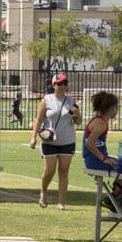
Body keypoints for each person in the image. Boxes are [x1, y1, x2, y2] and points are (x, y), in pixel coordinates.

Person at [31, 72, 80, 208]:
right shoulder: (46, 100)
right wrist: (33, 137)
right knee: (49, 171)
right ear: (53, 85)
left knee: (64, 171)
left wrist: (77, 114)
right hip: (50, 141)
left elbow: (78, 122)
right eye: (60, 83)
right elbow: (39, 120)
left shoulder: (70, 101)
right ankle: (43, 194)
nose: (63, 86)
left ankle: (61, 202)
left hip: (67, 140)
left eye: (65, 83)